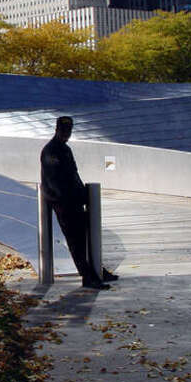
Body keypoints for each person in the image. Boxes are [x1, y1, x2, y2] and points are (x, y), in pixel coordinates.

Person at [40, 116, 118, 290]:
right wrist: (68, 200)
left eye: (68, 131)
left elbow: (74, 175)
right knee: (75, 241)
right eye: (63, 131)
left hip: (74, 201)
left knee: (86, 237)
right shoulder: (50, 151)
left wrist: (84, 195)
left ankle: (97, 270)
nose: (66, 134)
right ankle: (87, 276)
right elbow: (54, 182)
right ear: (56, 130)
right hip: (63, 203)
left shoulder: (65, 150)